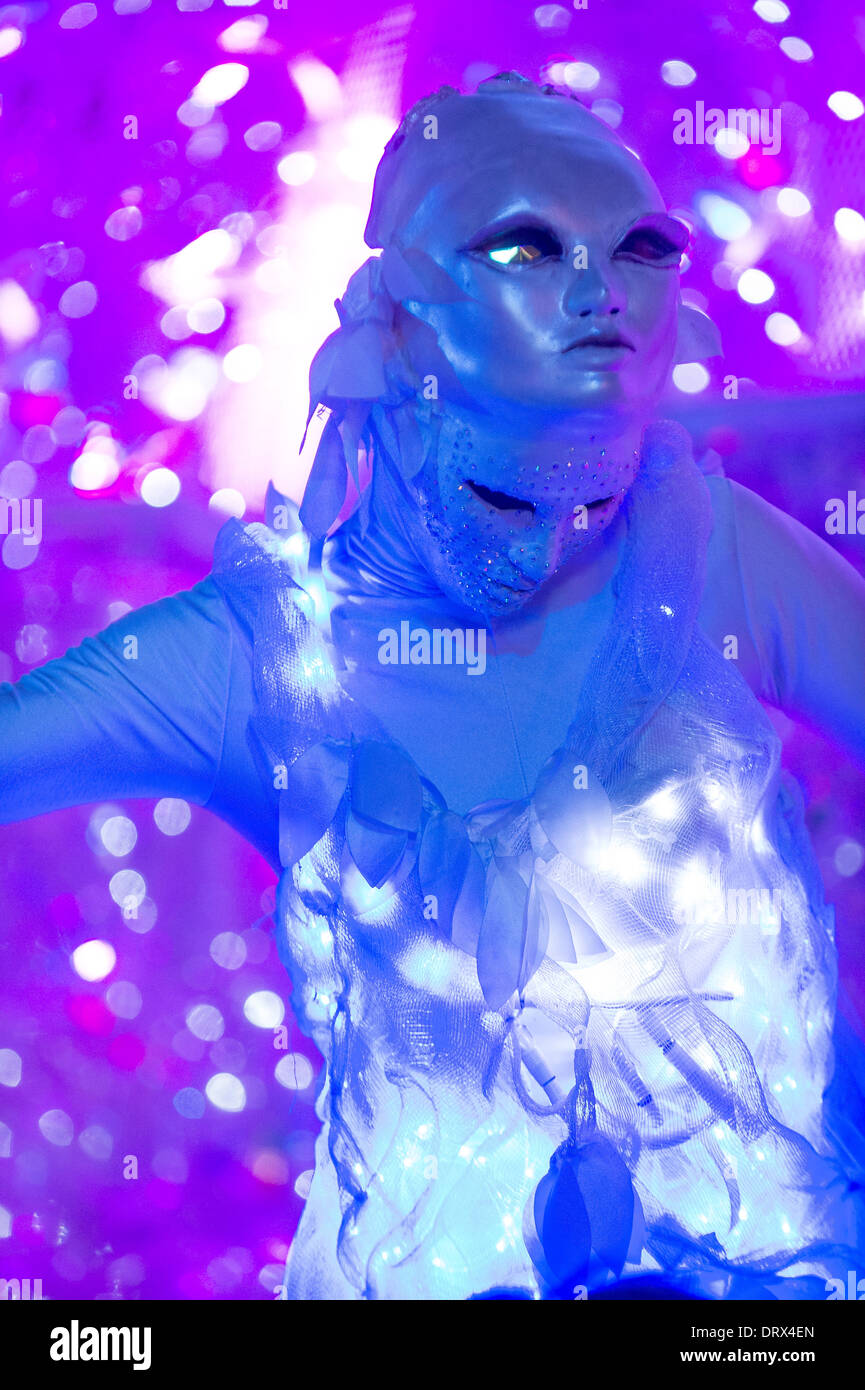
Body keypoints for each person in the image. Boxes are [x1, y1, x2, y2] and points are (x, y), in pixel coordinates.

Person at [2, 71, 865, 1301]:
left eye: (632, 251)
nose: (594, 291)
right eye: (508, 487)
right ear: (395, 343)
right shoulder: (252, 659)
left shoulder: (708, 553)